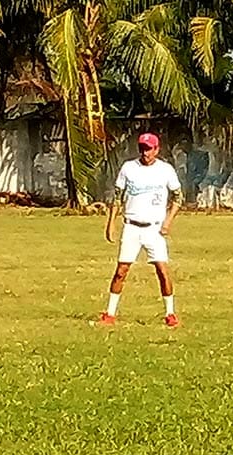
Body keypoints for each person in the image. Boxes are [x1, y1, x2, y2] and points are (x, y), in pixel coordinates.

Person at [99, 132, 183, 327]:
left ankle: (170, 313)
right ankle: (110, 313)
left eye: (149, 149)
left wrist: (168, 222)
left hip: (154, 229)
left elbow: (178, 197)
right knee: (121, 270)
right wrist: (111, 223)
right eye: (143, 148)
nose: (145, 153)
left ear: (157, 149)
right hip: (131, 227)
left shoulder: (165, 170)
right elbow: (117, 196)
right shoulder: (129, 168)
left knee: (162, 270)